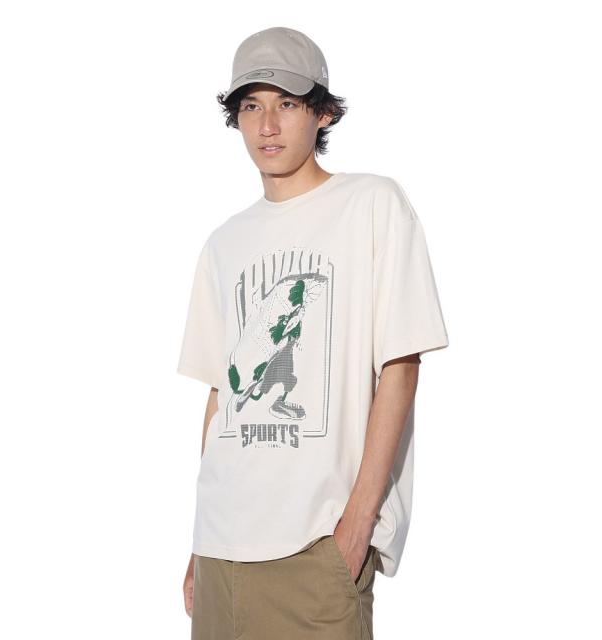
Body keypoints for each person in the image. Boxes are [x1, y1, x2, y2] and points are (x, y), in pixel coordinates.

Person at [177, 26, 449, 640]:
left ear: (323, 112)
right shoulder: (223, 243)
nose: (268, 125)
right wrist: (198, 537)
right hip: (221, 548)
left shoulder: (372, 205)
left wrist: (357, 527)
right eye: (252, 106)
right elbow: (221, 398)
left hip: (317, 550)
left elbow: (400, 368)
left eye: (288, 104)